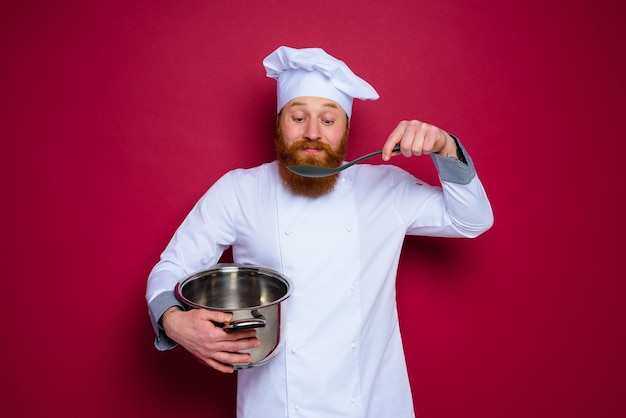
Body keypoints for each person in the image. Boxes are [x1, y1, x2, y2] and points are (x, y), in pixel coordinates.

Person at [146, 45, 494, 417]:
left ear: (346, 128)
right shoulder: (239, 191)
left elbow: (471, 219)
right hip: (276, 406)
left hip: (371, 404)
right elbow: (172, 266)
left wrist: (445, 147)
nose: (312, 133)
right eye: (298, 117)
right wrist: (173, 320)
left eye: (328, 120)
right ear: (280, 122)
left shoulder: (387, 188)